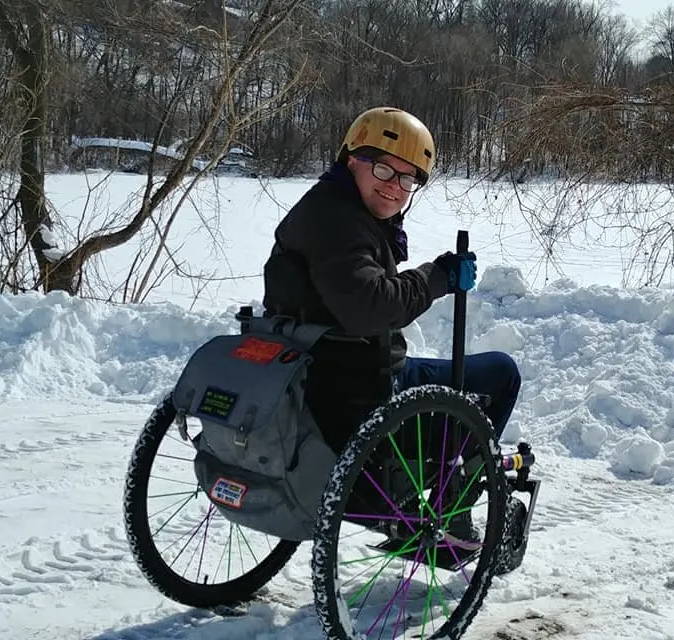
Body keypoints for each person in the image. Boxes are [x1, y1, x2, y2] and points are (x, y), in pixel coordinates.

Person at [263, 107, 520, 456]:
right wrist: (438, 276)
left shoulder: (329, 208)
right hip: (360, 395)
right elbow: (371, 307)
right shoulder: (337, 222)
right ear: (352, 160)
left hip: (319, 374)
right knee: (501, 372)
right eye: (383, 168)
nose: (394, 187)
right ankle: (452, 503)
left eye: (407, 178)